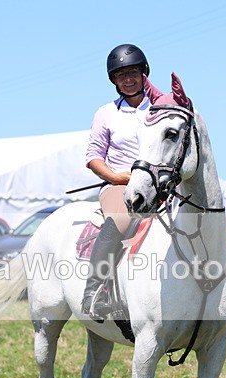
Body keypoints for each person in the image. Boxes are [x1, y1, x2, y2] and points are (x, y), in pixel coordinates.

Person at [82, 43, 151, 321]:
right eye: (121, 75)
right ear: (114, 81)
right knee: (122, 219)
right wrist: (115, 176)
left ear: (144, 73)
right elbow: (93, 157)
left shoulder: (160, 108)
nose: (128, 79)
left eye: (132, 72)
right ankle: (94, 291)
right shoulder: (106, 113)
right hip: (120, 186)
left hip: (159, 186)